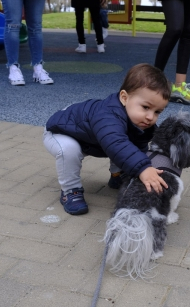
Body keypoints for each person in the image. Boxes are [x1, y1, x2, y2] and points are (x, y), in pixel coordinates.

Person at [43, 64, 170, 215]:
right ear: (124, 98)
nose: (150, 117)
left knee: (125, 143)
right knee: (70, 150)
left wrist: (141, 171)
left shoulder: (141, 122)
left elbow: (138, 148)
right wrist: (143, 168)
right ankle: (71, 190)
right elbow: (116, 143)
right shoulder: (107, 115)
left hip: (92, 137)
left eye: (157, 112)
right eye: (145, 107)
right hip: (62, 131)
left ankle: (117, 175)